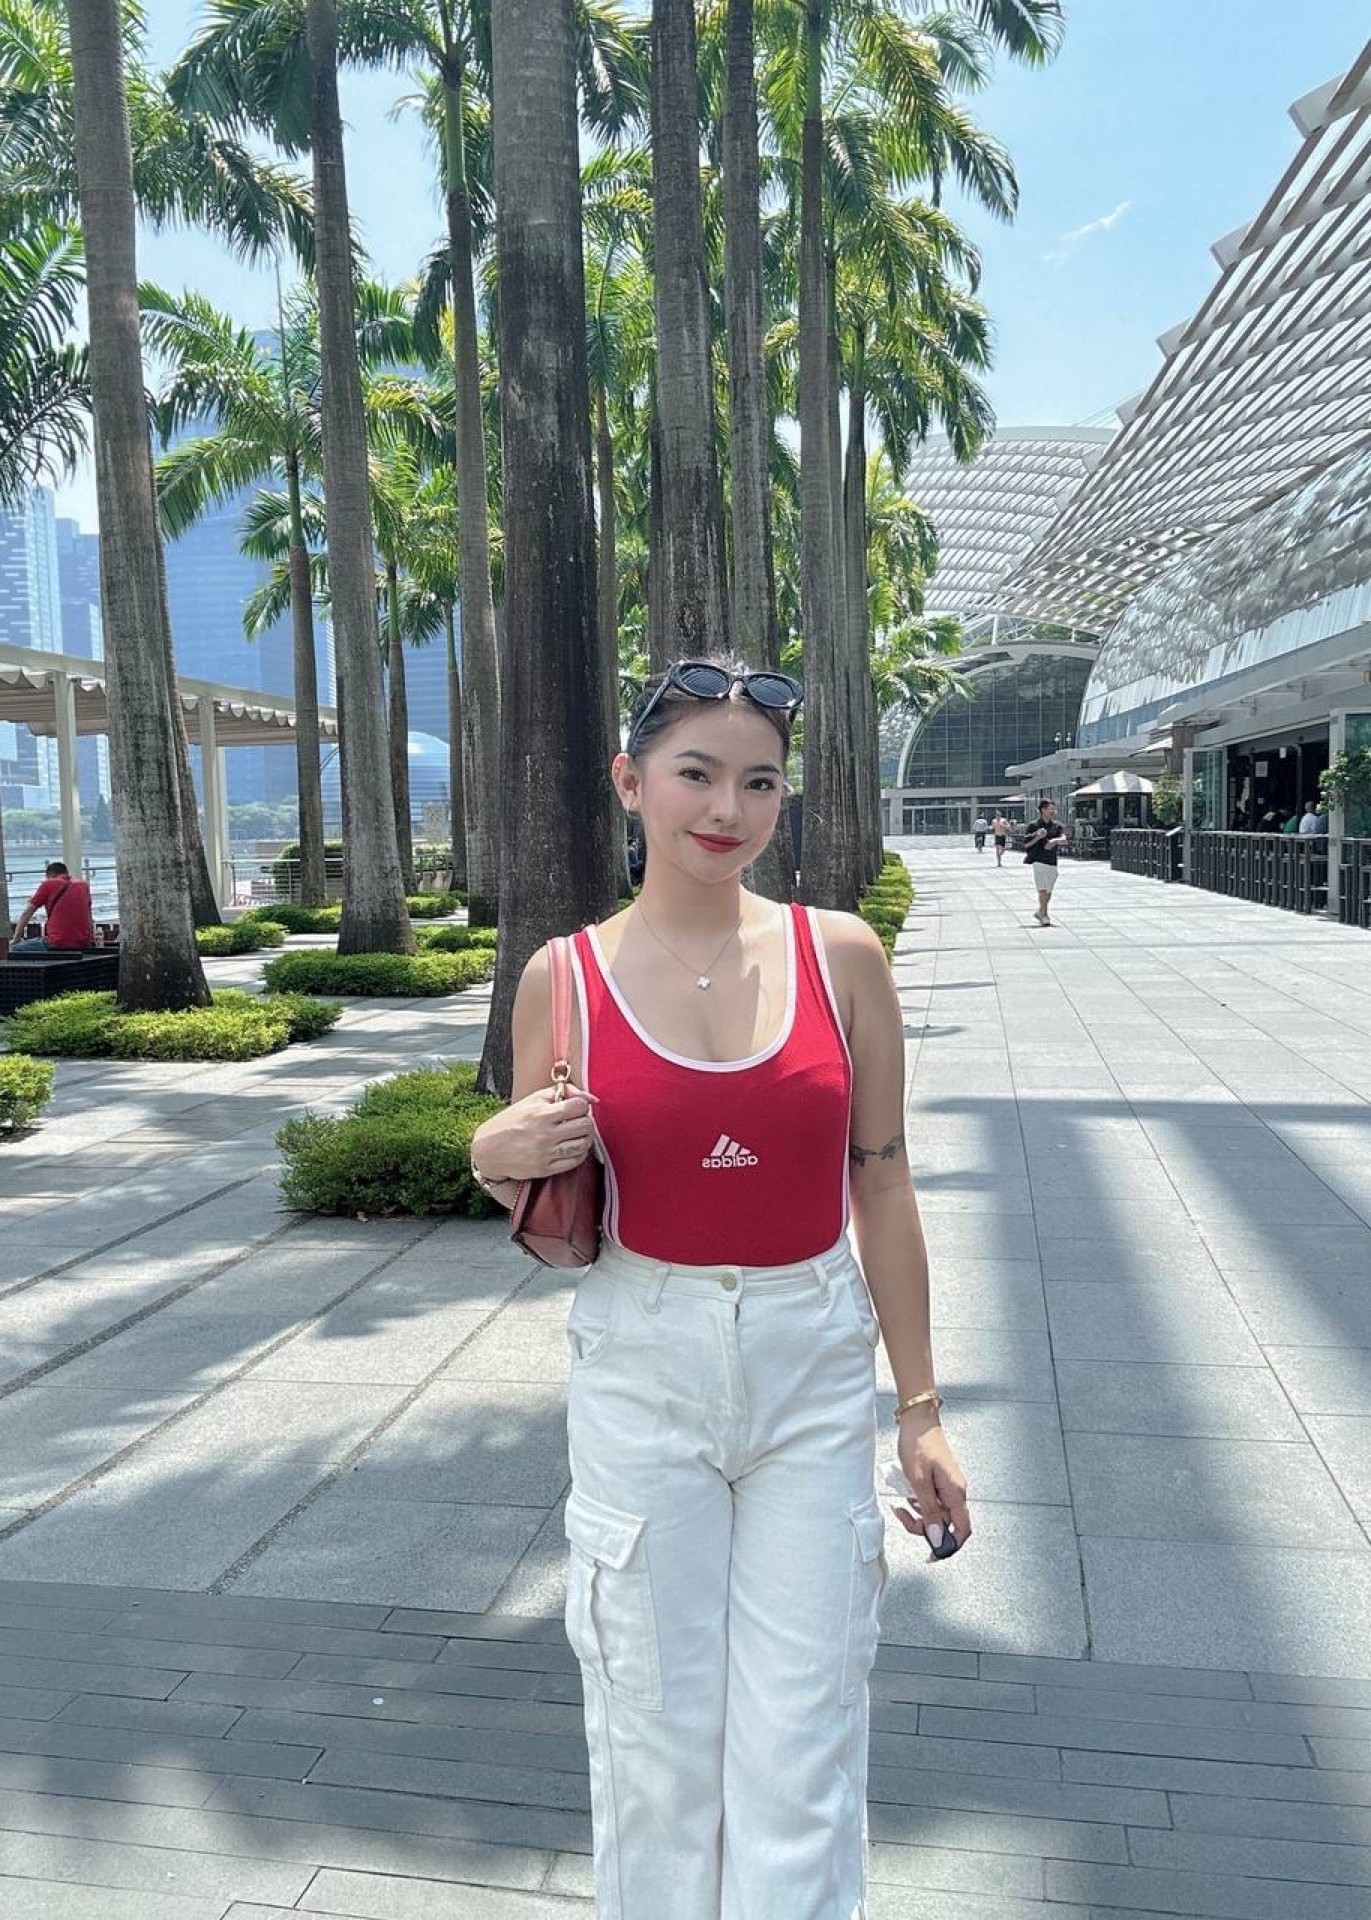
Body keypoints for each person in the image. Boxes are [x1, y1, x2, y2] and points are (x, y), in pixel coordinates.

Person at [467, 655, 970, 1918]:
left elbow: (885, 1182)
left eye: (760, 783)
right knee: (651, 1731)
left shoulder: (841, 957)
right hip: (646, 1353)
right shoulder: (563, 978)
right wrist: (489, 1154)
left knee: (808, 1731)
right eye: (696, 774)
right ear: (631, 783)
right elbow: (542, 1188)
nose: (727, 809)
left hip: (812, 1354)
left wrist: (920, 1408)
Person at [9, 861, 95, 954]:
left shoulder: (48, 884)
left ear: (49, 875)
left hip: (58, 943)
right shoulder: (83, 886)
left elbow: (27, 913)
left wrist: (15, 939)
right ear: (66, 873)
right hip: (83, 943)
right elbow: (89, 915)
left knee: (16, 949)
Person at [1022, 798, 1069, 926]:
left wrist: (1055, 841)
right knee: (1042, 890)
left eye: (1054, 809)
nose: (1053, 811)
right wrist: (1037, 837)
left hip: (1052, 861)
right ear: (1043, 810)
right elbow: (1026, 844)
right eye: (1050, 809)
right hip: (1038, 860)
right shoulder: (1034, 825)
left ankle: (1040, 911)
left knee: (1048, 891)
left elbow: (1064, 839)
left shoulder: (1057, 826)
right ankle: (1045, 915)